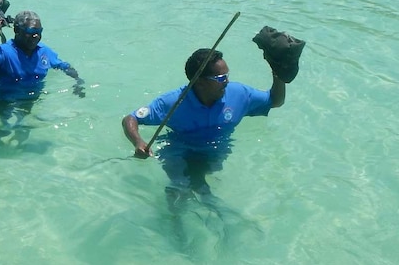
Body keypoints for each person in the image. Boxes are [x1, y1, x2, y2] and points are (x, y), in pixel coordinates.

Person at [121, 48, 286, 205]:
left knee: (205, 193)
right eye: (220, 78)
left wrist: (278, 72)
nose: (227, 82)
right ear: (199, 82)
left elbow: (275, 101)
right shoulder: (172, 103)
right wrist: (138, 142)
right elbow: (131, 118)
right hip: (178, 151)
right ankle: (174, 225)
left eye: (227, 75)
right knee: (180, 189)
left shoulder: (239, 94)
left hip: (215, 151)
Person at [0, 10, 84, 141]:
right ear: (17, 30)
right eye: (30, 32)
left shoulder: (44, 51)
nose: (36, 36)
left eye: (39, 32)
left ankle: (20, 155)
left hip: (31, 97)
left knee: (24, 128)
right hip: (4, 96)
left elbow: (65, 66)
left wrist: (78, 81)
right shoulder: (5, 51)